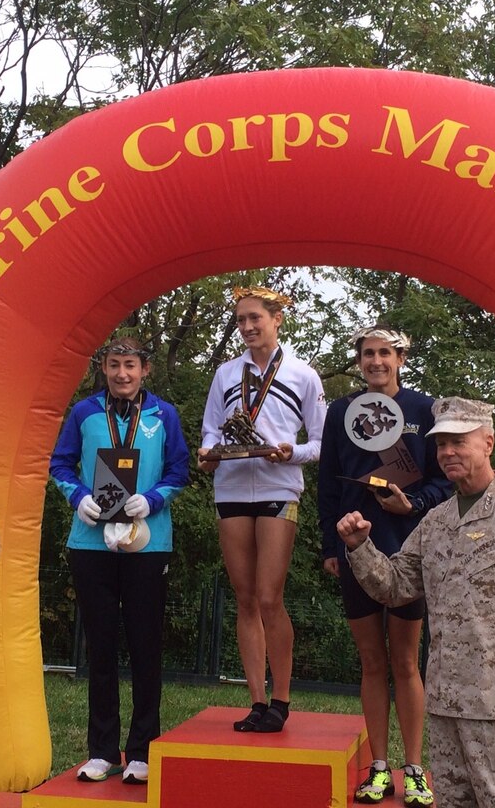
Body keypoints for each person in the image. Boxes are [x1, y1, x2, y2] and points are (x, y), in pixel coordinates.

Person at [336, 397, 495, 807]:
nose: (447, 452)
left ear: (488, 443)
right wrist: (360, 547)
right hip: (446, 708)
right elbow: (395, 586)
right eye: (441, 444)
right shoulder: (436, 522)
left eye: (459, 442)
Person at [318, 327, 451, 806]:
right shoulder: (340, 411)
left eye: (385, 353)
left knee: (405, 663)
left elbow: (444, 480)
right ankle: (379, 767)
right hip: (355, 546)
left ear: (401, 359)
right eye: (368, 354)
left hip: (408, 548)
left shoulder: (424, 410)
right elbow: (328, 484)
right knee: (372, 663)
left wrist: (412, 503)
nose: (376, 361)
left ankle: (413, 769)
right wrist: (329, 544)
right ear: (359, 361)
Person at [50, 337, 190, 785]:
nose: (122, 374)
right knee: (101, 646)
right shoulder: (84, 412)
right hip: (91, 543)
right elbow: (59, 465)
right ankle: (102, 751)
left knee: (146, 645)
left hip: (147, 543)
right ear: (104, 369)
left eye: (130, 365)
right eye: (114, 365)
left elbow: (180, 471)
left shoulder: (163, 414)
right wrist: (77, 497)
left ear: (145, 369)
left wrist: (152, 499)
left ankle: (143, 750)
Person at [198, 286, 326, 733]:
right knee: (245, 597)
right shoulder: (226, 373)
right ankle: (255, 701)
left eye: (256, 318)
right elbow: (211, 430)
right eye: (241, 320)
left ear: (277, 319)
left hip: (278, 486)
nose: (248, 327)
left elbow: (320, 444)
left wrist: (290, 453)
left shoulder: (303, 375)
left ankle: (282, 700)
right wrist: (209, 452)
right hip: (230, 486)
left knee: (270, 597)